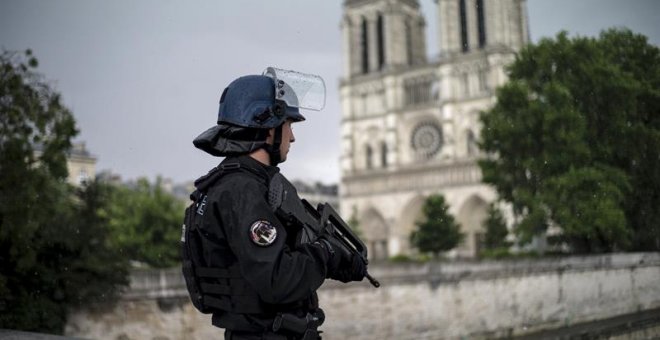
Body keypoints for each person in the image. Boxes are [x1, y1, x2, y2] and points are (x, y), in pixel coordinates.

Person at [185, 68, 366, 340]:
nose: (292, 137)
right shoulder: (242, 191)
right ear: (269, 128)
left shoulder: (235, 184)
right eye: (288, 125)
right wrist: (326, 252)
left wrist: (336, 262)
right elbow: (278, 281)